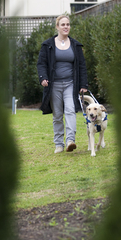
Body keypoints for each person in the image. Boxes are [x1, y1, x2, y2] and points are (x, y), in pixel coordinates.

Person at [37, 15, 88, 153]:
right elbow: (41, 64)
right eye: (63, 24)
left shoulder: (75, 45)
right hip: (54, 85)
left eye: (68, 24)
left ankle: (70, 141)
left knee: (70, 110)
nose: (66, 27)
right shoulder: (48, 45)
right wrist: (43, 78)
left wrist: (83, 85)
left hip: (71, 84)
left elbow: (82, 66)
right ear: (57, 27)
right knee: (58, 114)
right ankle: (58, 144)